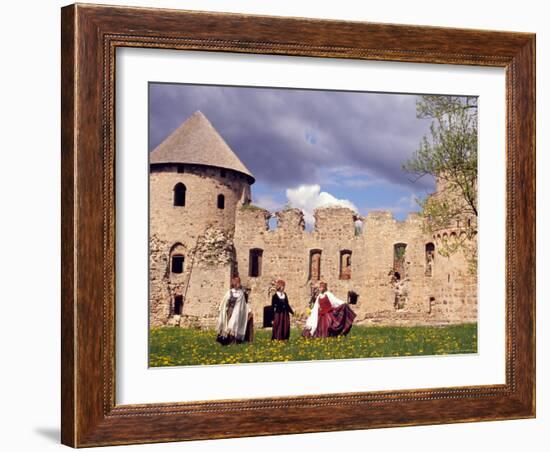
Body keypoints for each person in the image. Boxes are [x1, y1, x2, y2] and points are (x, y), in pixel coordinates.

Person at [216, 276, 254, 345]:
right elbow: (224, 301)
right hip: (229, 311)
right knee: (226, 324)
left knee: (233, 324)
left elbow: (243, 304)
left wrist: (248, 311)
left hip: (237, 312)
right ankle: (223, 340)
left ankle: (232, 341)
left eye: (238, 282)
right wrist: (223, 308)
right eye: (235, 282)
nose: (237, 284)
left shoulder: (241, 293)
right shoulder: (230, 292)